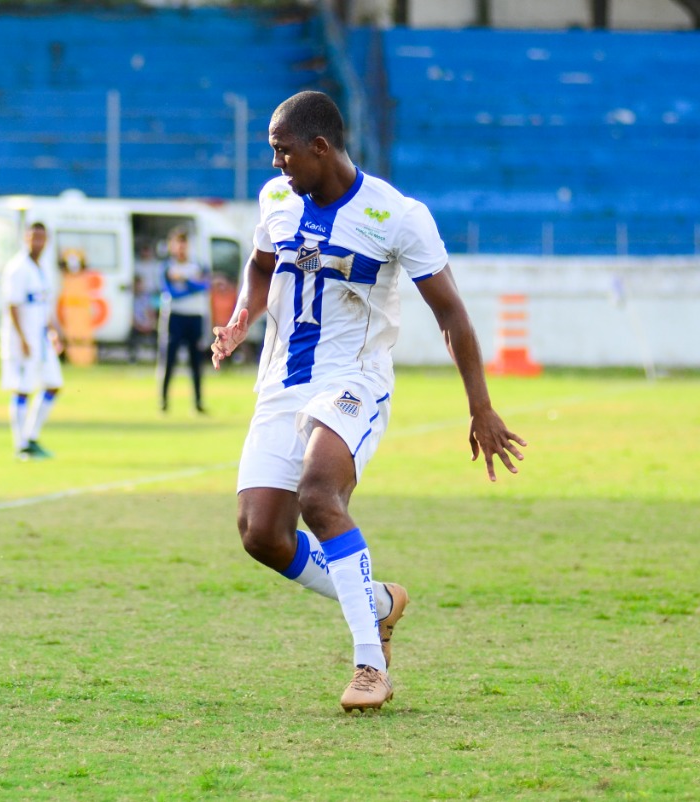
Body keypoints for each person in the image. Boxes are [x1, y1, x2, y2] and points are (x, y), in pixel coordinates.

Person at [210, 91, 527, 712]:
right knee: (260, 534)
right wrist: (243, 314)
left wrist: (480, 406)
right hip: (282, 380)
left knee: (319, 495)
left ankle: (369, 665)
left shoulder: (397, 216)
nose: (277, 166)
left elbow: (452, 314)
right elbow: (259, 263)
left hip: (353, 378)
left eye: (284, 152)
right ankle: (379, 602)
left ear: (320, 147)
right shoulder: (277, 199)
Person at [0, 221, 63, 460]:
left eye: (42, 238)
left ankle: (31, 437)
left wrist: (53, 330)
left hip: (41, 339)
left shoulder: (41, 267)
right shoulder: (17, 268)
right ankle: (21, 445)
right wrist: (23, 339)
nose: (37, 242)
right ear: (25, 238)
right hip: (22, 340)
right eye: (33, 237)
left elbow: (43, 304)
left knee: (53, 384)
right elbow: (12, 305)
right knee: (22, 388)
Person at [158, 229, 209, 414]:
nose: (181, 249)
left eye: (184, 244)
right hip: (175, 316)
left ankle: (198, 402)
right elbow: (171, 293)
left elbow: (205, 285)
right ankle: (163, 401)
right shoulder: (167, 267)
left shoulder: (198, 265)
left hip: (195, 316)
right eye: (177, 244)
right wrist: (192, 286)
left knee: (196, 361)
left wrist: (184, 280)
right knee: (169, 360)